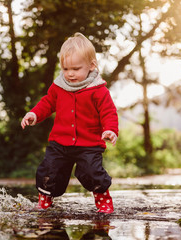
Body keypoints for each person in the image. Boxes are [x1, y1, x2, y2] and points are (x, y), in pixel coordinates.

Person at [21, 32, 118, 213]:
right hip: (59, 142)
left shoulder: (98, 90)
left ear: (91, 66)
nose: (70, 74)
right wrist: (34, 114)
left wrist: (110, 130)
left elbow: (109, 112)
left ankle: (104, 202)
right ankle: (44, 203)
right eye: (66, 69)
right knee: (50, 171)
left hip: (89, 144)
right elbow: (47, 103)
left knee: (91, 172)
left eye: (76, 69)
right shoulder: (59, 86)